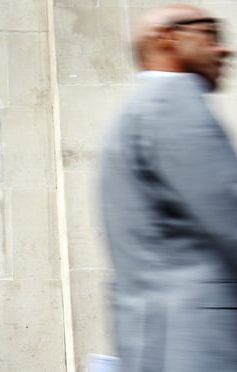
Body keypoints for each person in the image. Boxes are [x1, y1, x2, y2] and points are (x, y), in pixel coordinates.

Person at [100, 4, 236, 372]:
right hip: (200, 346)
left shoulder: (133, 114)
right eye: (210, 32)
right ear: (168, 38)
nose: (224, 49)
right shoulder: (173, 101)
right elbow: (229, 214)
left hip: (157, 344)